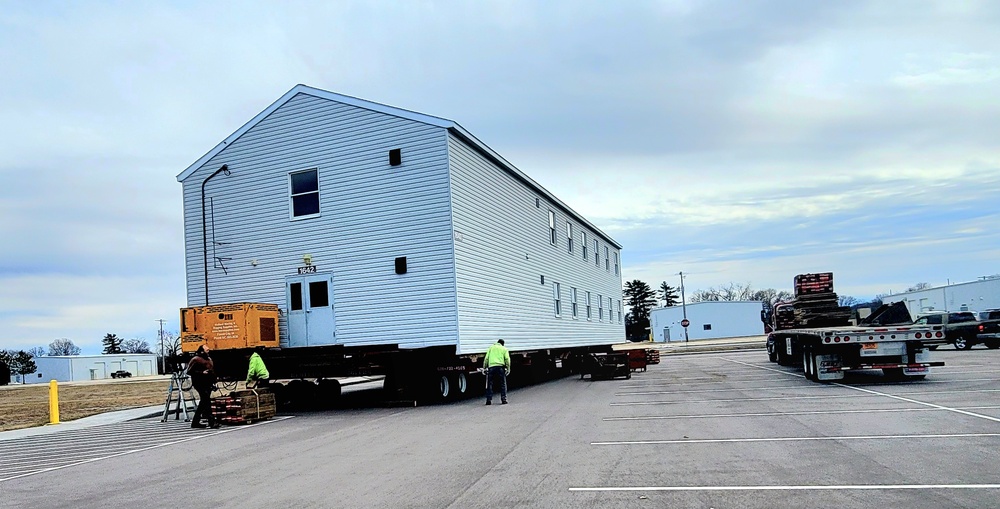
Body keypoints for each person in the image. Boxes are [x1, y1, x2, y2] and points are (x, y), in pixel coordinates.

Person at [187, 345, 219, 429]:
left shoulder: (209, 359)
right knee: (206, 401)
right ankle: (212, 422)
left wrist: (214, 381)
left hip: (208, 383)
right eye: (206, 349)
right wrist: (201, 372)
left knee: (203, 402)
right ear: (201, 351)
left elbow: (212, 371)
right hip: (199, 383)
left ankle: (195, 422)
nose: (208, 349)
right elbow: (189, 371)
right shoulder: (196, 359)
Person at [483, 339, 510, 405]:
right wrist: (508, 368)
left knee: (490, 384)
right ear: (502, 344)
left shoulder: (491, 348)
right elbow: (507, 359)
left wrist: (484, 367)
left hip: (491, 367)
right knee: (502, 383)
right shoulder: (504, 349)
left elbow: (486, 358)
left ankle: (488, 400)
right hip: (500, 367)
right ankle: (503, 399)